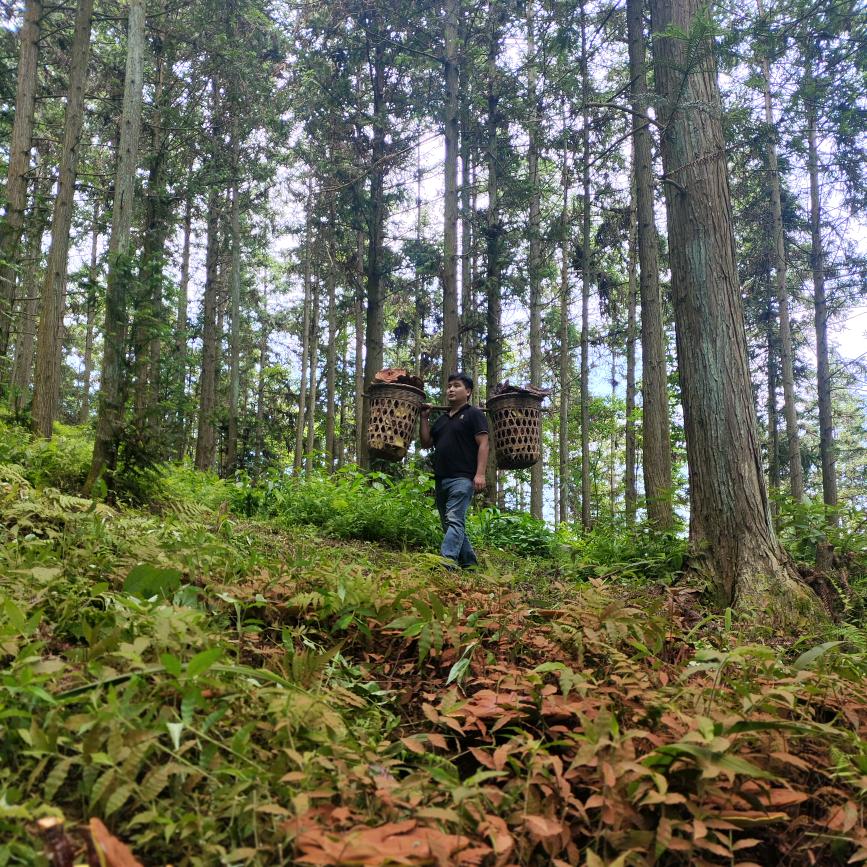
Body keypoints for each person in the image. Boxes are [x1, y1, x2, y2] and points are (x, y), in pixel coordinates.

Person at [419, 373, 489, 569]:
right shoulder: (441, 420)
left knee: (454, 519)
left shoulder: (474, 414)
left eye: (456, 386)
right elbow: (426, 443)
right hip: (442, 479)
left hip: (463, 477)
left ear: (467, 392)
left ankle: (446, 562)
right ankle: (470, 564)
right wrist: (424, 418)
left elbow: (484, 443)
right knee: (451, 524)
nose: (451, 389)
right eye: (449, 386)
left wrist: (480, 474)